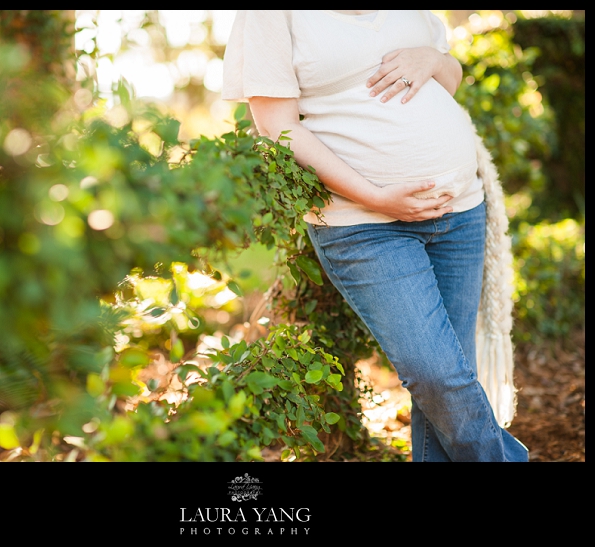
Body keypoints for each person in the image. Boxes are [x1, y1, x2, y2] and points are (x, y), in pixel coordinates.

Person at [221, 10, 529, 462]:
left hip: (460, 209)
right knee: (437, 375)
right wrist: (378, 197)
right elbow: (277, 127)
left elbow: (449, 73)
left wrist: (431, 59)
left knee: (448, 382)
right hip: (363, 224)